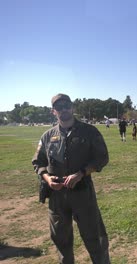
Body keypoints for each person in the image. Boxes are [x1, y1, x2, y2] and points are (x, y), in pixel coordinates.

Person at [32, 93, 110, 264]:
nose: (64, 110)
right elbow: (38, 163)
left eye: (66, 105)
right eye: (59, 107)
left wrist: (81, 173)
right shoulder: (47, 136)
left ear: (72, 107)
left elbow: (101, 158)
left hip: (82, 193)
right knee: (61, 240)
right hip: (57, 196)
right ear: (54, 111)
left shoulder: (89, 132)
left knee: (95, 237)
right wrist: (47, 179)